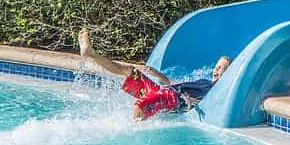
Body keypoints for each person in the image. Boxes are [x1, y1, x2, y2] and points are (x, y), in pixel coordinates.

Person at [77, 28, 232, 120]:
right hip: (165, 91)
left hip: (172, 99)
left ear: (228, 73)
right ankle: (91, 54)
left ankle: (130, 133)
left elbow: (206, 103)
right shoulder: (204, 81)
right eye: (217, 67)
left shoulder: (215, 90)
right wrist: (156, 73)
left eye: (221, 68)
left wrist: (190, 100)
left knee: (141, 104)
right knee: (130, 70)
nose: (216, 70)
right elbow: (173, 83)